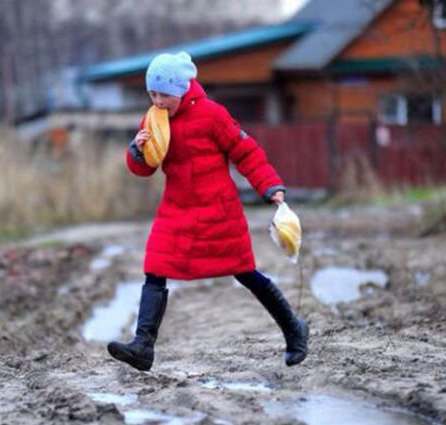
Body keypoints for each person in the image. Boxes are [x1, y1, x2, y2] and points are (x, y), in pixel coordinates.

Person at [107, 51, 309, 372]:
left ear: (182, 90)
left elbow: (246, 152)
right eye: (152, 94)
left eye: (164, 94)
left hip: (219, 210)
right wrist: (137, 150)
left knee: (245, 272)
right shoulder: (152, 119)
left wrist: (270, 187)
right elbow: (146, 169)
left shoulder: (212, 115)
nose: (158, 101)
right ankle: (143, 346)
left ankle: (294, 329)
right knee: (155, 267)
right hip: (176, 208)